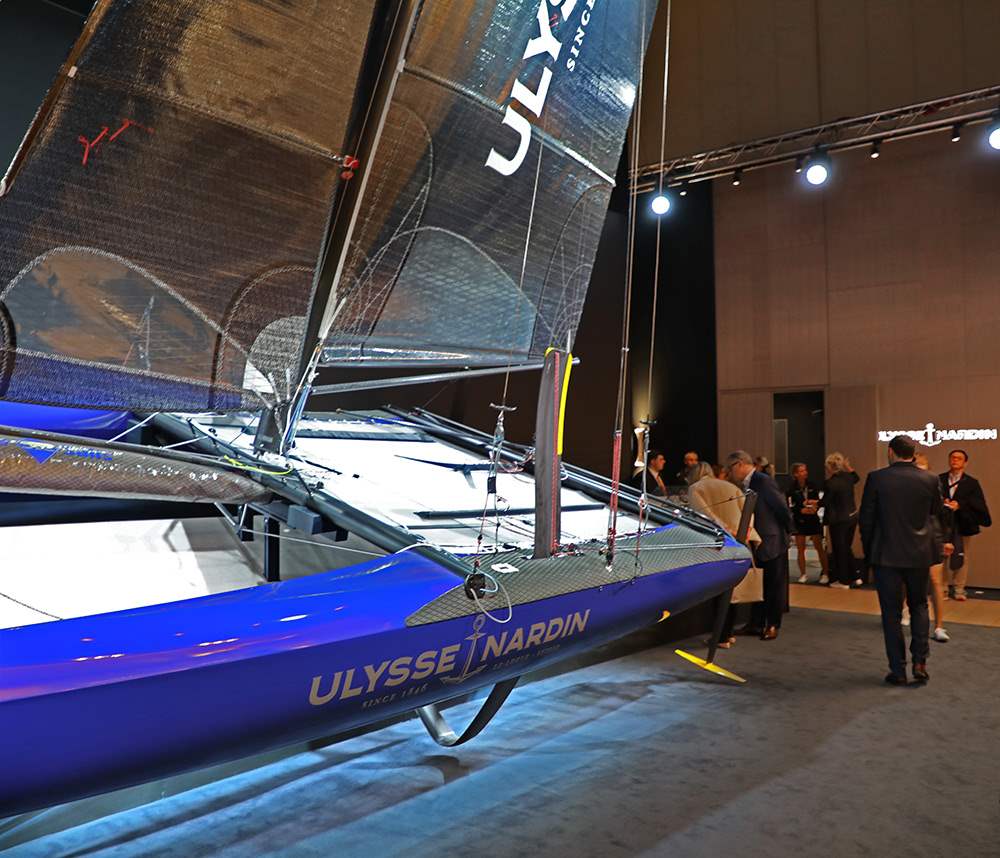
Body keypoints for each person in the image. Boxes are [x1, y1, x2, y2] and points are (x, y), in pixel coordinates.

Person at [859, 435, 943, 685]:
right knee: (919, 606)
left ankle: (897, 669)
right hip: (919, 554)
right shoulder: (930, 479)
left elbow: (866, 520)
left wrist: (870, 552)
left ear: (891, 452)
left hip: (886, 555)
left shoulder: (877, 478)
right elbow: (935, 514)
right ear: (913, 454)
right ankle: (920, 662)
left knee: (891, 613)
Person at [688, 462, 763, 647]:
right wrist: (744, 532)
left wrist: (726, 529)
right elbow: (749, 511)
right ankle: (728, 634)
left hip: (717, 544)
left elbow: (704, 516)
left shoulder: (695, 488)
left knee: (719, 592)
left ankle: (721, 637)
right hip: (740, 542)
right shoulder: (730, 486)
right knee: (733, 590)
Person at [725, 450, 792, 640]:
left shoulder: (762, 481)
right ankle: (756, 623)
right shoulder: (749, 483)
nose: (730, 473)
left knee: (773, 585)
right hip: (758, 539)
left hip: (771, 539)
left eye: (730, 468)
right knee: (759, 584)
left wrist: (788, 531)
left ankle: (772, 624)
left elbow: (781, 507)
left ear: (739, 464)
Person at [938, 449, 991, 601]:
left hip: (963, 524)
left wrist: (960, 505)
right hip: (943, 524)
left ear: (965, 463)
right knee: (941, 556)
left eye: (959, 458)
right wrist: (943, 502)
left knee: (962, 556)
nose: (955, 460)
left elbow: (978, 504)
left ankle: (959, 589)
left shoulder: (971, 482)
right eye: (952, 457)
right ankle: (942, 589)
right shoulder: (939, 479)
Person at [915, 453, 953, 642]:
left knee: (935, 580)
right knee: (908, 579)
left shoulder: (935, 486)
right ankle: (905, 609)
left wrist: (946, 540)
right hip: (912, 537)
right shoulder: (905, 488)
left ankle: (939, 626)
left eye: (923, 470)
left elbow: (943, 515)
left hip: (934, 536)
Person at [822, 452, 860, 589]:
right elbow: (856, 477)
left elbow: (825, 501)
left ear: (829, 467)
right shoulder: (848, 477)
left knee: (840, 550)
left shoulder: (830, 483)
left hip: (838, 520)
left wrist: (815, 504)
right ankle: (855, 576)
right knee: (846, 547)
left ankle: (844, 581)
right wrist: (848, 467)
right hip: (852, 516)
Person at [786, 462, 829, 584]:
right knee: (801, 548)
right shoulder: (791, 488)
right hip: (800, 520)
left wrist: (814, 507)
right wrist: (800, 510)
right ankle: (803, 574)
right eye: (801, 471)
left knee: (819, 547)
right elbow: (789, 505)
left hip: (813, 519)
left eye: (805, 470)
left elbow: (818, 500)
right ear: (795, 474)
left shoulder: (812, 485)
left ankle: (825, 573)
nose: (805, 473)